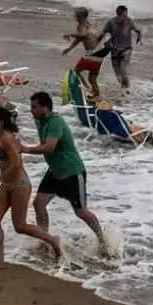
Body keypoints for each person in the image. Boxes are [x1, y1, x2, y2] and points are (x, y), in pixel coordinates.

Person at [22, 91, 108, 253]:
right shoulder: (40, 120)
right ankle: (45, 239)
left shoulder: (55, 122)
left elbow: (49, 147)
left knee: (80, 211)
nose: (31, 110)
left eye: (34, 107)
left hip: (72, 172)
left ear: (45, 108)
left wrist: (25, 149)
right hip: (55, 171)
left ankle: (102, 240)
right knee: (38, 203)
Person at [0, 105, 62, 268]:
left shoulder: (7, 138)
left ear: (1, 121)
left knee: (20, 226)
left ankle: (53, 240)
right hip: (6, 184)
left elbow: (17, 164)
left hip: (19, 185)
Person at [92, 5, 142, 91]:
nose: (125, 17)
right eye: (124, 16)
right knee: (118, 75)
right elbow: (102, 34)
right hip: (114, 51)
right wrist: (95, 45)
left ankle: (128, 90)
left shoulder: (129, 21)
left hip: (126, 50)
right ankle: (123, 90)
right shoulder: (111, 22)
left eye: (126, 15)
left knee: (123, 70)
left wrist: (139, 38)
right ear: (118, 15)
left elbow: (138, 30)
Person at [63, 7, 104, 97]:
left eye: (76, 16)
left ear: (80, 17)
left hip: (91, 54)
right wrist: (70, 48)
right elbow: (81, 38)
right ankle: (96, 95)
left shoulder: (81, 25)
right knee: (92, 79)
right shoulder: (90, 25)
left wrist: (69, 34)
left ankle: (87, 88)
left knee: (75, 71)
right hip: (100, 55)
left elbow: (83, 35)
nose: (75, 17)